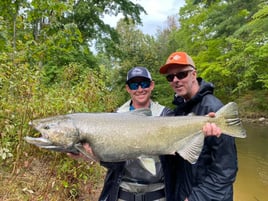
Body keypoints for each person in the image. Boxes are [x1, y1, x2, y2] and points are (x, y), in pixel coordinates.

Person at [69, 66, 221, 201]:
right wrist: (93, 156)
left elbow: (182, 160)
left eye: (144, 83)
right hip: (121, 193)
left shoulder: (167, 115)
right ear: (128, 88)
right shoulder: (115, 117)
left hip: (159, 193)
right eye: (134, 85)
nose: (140, 89)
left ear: (152, 85)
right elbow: (113, 164)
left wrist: (204, 129)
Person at [159, 52, 238, 201]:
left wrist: (196, 198)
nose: (175, 80)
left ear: (194, 74)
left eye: (181, 74)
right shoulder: (180, 111)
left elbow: (226, 170)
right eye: (170, 77)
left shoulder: (213, 110)